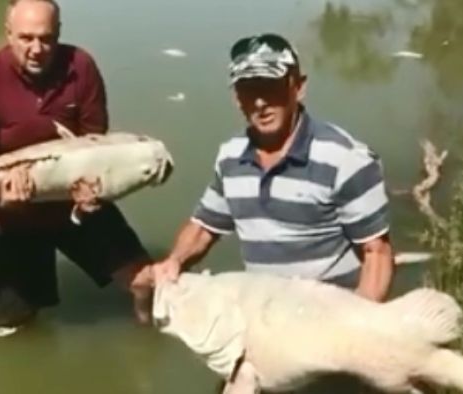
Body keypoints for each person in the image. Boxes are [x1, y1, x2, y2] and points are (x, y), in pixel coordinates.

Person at [0, 0, 154, 330]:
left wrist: (94, 192)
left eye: (46, 38)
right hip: (7, 213)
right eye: (26, 38)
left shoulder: (81, 66)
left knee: (146, 282)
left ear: (59, 33)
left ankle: (148, 339)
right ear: (8, 34)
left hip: (73, 199)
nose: (37, 49)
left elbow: (97, 148)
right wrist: (7, 198)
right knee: (16, 326)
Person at [153, 33, 395, 301]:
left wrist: (358, 325)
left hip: (330, 317)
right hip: (262, 317)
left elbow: (377, 253)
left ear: (299, 87)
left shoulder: (346, 159)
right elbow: (204, 228)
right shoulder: (230, 157)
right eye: (249, 89)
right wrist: (174, 261)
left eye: (270, 87)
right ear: (236, 97)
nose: (260, 103)